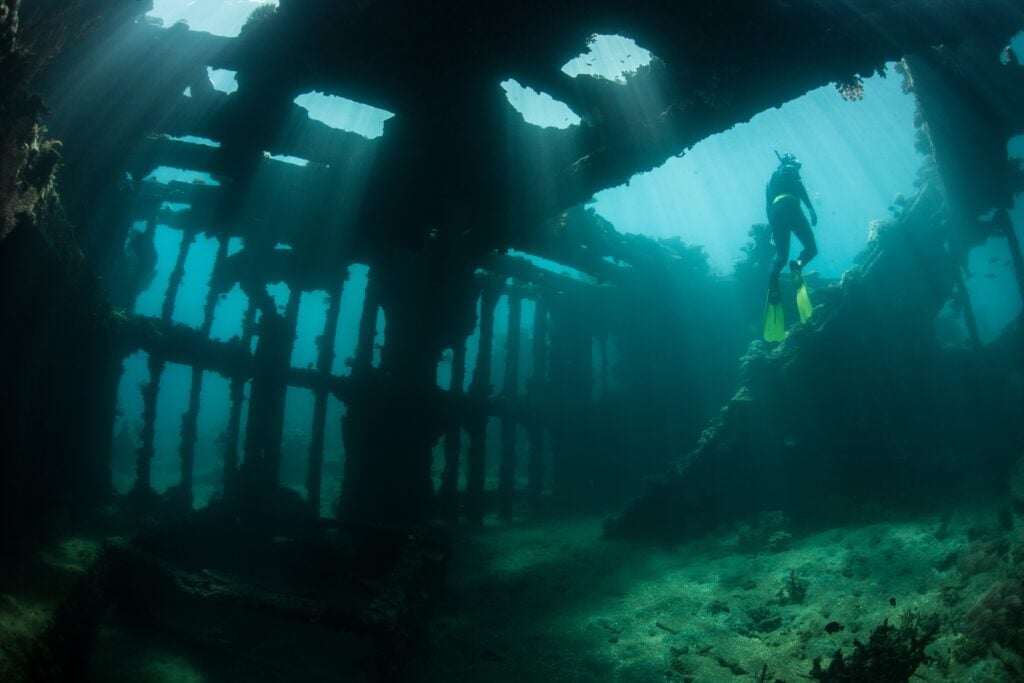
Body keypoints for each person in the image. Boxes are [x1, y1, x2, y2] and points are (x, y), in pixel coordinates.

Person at [765, 152, 818, 299]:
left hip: (775, 213)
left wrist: (773, 231)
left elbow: (768, 206)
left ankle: (773, 283)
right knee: (811, 249)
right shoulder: (789, 168)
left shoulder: (769, 181)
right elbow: (799, 187)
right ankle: (798, 265)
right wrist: (811, 209)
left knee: (781, 256)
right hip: (790, 206)